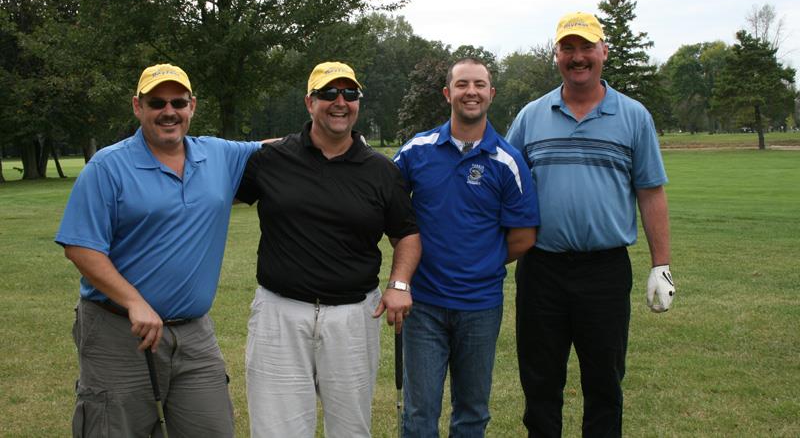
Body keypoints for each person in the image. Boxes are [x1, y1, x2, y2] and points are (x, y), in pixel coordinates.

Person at [55, 63, 262, 437]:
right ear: (138, 106)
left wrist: (341, 137)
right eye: (157, 103)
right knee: (113, 428)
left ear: (192, 106)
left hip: (195, 336)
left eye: (178, 102)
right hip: (119, 332)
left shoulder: (219, 155)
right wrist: (134, 301)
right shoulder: (108, 167)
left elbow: (281, 149)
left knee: (213, 428)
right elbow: (81, 247)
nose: (169, 111)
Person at [506, 12, 676, 437]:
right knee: (540, 382)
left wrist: (661, 264)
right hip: (541, 269)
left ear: (604, 52)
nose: (577, 57)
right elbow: (505, 185)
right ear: (556, 55)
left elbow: (650, 192)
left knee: (604, 382)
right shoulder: (531, 115)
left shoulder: (633, 115)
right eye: (568, 48)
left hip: (605, 271)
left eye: (586, 47)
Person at [235, 61, 422, 438]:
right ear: (309, 102)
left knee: (350, 430)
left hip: (353, 317)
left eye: (350, 94)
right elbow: (213, 194)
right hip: (279, 314)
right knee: (277, 431)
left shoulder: (381, 171)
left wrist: (399, 283)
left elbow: (407, 234)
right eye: (328, 93)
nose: (340, 102)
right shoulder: (271, 159)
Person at [393, 58, 540, 437]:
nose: (470, 92)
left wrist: (480, 261)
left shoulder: (508, 160)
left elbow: (523, 236)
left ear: (491, 93)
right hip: (423, 304)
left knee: (472, 413)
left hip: (480, 306)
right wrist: (409, 259)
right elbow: (388, 208)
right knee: (419, 414)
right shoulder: (416, 151)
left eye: (479, 84)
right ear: (448, 93)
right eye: (462, 84)